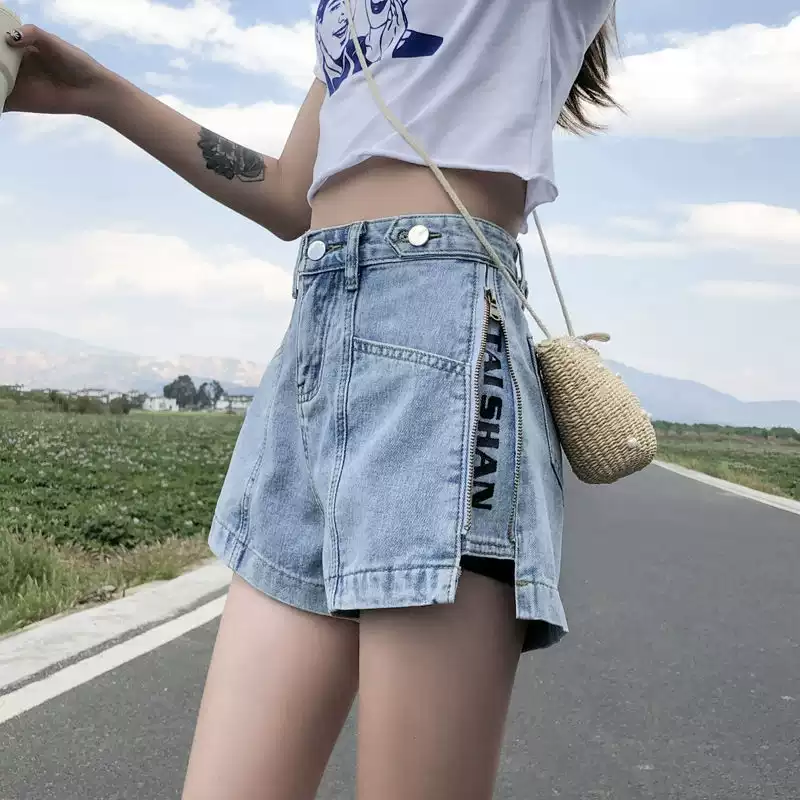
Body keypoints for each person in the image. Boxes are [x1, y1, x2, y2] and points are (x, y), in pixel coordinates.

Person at [5, 1, 619, 797]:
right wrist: (95, 92)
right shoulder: (351, 15)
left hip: (439, 342)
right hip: (314, 341)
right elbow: (290, 196)